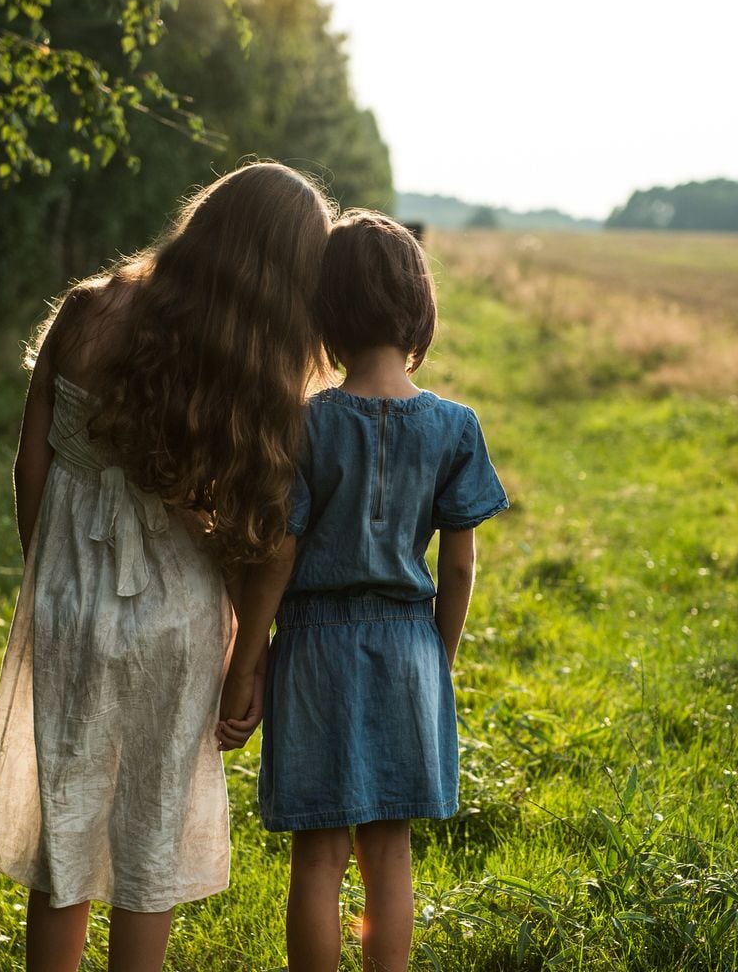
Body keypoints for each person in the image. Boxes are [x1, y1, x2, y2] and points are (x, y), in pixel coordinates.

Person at [0, 161, 334, 972]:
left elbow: (30, 461)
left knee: (65, 817)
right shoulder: (245, 364)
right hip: (178, 613)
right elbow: (266, 542)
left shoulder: (87, 308)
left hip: (68, 593)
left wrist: (48, 574)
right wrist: (249, 662)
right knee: (151, 828)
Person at [218, 210, 509, 972]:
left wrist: (246, 664)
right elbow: (459, 566)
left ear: (327, 314)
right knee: (391, 855)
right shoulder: (455, 426)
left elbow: (278, 552)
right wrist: (437, 655)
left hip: (313, 650)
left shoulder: (305, 424)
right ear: (419, 309)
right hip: (409, 648)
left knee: (317, 858)